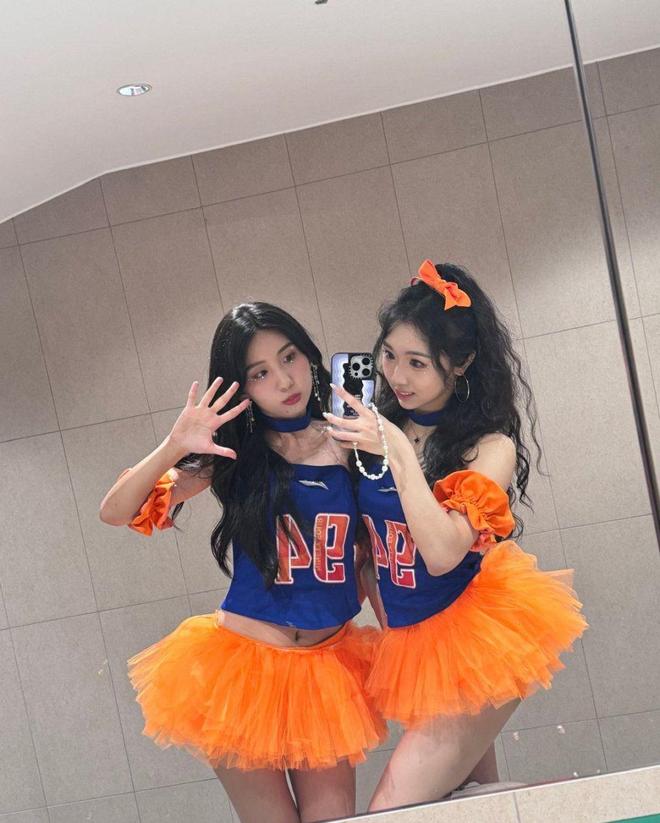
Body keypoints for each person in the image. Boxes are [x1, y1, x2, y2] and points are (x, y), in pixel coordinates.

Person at [99, 303, 386, 823]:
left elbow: (372, 557)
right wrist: (172, 447)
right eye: (260, 373)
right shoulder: (234, 455)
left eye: (289, 357)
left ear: (309, 356)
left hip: (328, 669)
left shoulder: (350, 448)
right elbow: (116, 511)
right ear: (242, 388)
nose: (284, 380)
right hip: (243, 671)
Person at [323, 260, 587, 812]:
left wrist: (395, 449)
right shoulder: (375, 433)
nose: (397, 376)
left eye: (417, 363)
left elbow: (443, 552)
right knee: (466, 803)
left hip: (477, 640)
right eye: (389, 355)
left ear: (461, 363)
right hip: (415, 645)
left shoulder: (488, 448)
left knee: (388, 812)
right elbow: (370, 551)